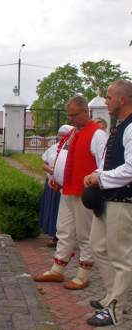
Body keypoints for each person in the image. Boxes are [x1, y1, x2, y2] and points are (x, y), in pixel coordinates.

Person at [33, 96, 107, 290]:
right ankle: (57, 270)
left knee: (85, 234)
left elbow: (103, 165)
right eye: (69, 115)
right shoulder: (72, 133)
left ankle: (84, 274)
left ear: (85, 112)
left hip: (85, 192)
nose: (71, 119)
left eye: (74, 115)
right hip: (67, 189)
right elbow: (61, 157)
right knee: (63, 230)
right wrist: (55, 178)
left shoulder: (97, 135)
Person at [83, 80, 132, 327]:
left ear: (122, 100)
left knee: (121, 257)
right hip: (108, 199)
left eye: (109, 97)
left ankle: (116, 309)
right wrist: (96, 172)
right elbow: (111, 163)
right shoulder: (120, 126)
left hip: (124, 201)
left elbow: (131, 169)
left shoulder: (131, 127)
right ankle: (113, 297)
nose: (106, 102)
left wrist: (100, 178)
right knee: (98, 246)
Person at [39, 124, 74, 247]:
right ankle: (53, 235)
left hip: (64, 186)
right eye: (60, 135)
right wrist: (51, 170)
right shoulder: (53, 148)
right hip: (51, 183)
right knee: (51, 209)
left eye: (64, 135)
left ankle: (62, 237)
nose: (61, 137)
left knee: (62, 212)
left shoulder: (72, 148)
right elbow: (44, 164)